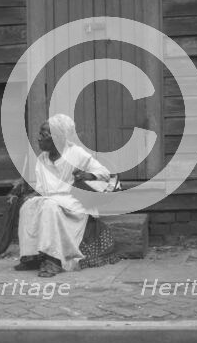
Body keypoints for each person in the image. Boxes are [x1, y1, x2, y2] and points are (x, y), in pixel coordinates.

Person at [15, 114, 119, 277]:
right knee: (28, 206)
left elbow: (104, 173)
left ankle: (53, 260)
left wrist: (87, 175)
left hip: (72, 201)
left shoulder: (76, 153)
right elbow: (43, 187)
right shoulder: (42, 158)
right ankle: (32, 256)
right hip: (51, 198)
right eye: (40, 134)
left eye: (43, 135)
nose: (38, 138)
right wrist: (34, 195)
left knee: (50, 207)